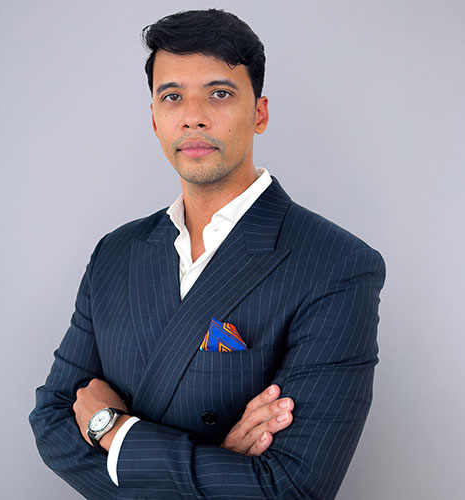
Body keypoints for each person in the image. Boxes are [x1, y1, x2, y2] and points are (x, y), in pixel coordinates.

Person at [29, 9, 385, 500]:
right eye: (172, 96)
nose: (193, 116)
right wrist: (217, 463)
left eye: (219, 93)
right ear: (155, 119)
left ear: (259, 113)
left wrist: (114, 429)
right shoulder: (115, 253)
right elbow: (51, 421)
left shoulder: (336, 265)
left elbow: (293, 487)